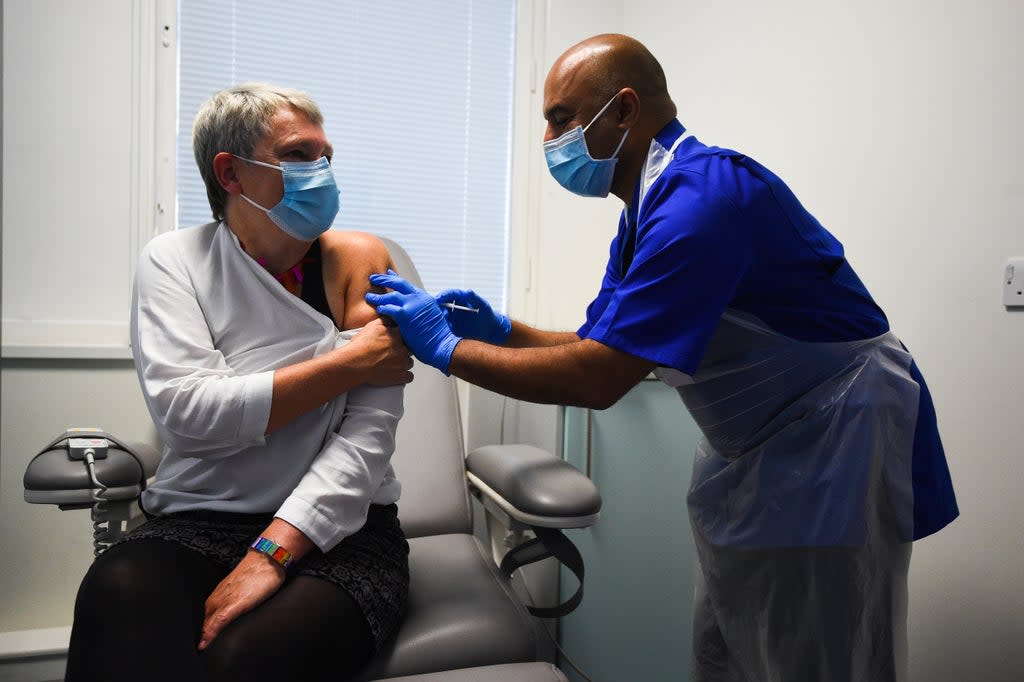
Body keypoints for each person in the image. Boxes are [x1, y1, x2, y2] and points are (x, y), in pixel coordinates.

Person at [365, 33, 959, 682]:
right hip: (763, 448)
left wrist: (449, 351)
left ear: (622, 111)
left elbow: (598, 378)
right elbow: (598, 344)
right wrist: (505, 331)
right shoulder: (649, 206)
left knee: (817, 656)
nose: (548, 139)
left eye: (561, 118)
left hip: (832, 447)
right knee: (730, 646)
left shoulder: (702, 202)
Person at [66, 83, 413, 681]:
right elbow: (190, 415)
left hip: (340, 532)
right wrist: (349, 363)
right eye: (299, 156)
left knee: (241, 662)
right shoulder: (174, 261)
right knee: (115, 593)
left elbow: (368, 435)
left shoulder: (360, 260)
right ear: (231, 173)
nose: (322, 172)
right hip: (197, 515)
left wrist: (275, 550)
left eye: (326, 157)